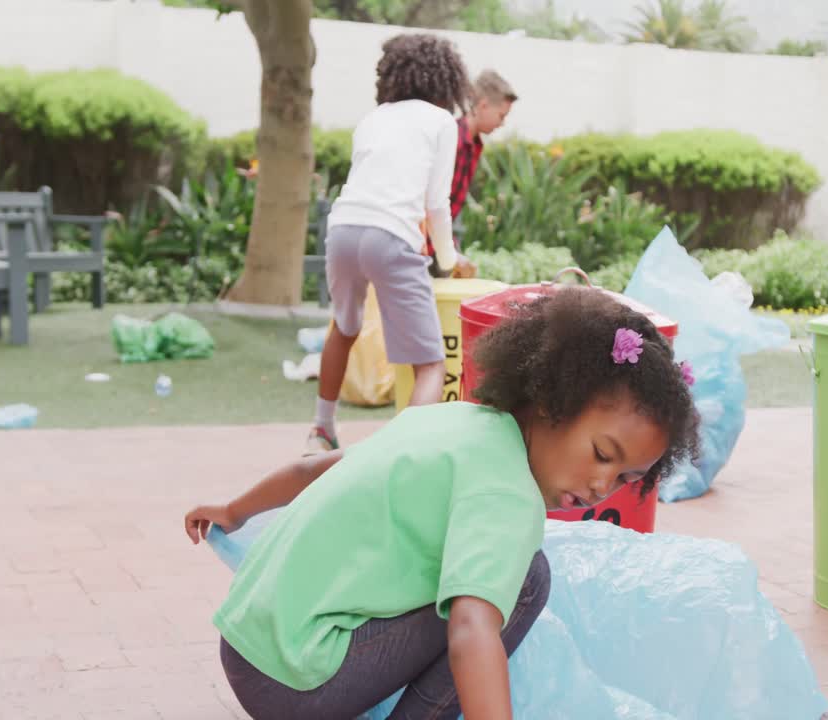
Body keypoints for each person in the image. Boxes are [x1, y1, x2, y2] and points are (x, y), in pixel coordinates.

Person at [185, 288, 701, 720]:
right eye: (602, 454)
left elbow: (314, 468)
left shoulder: (452, 421)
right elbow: (470, 631)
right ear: (552, 404)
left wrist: (235, 510)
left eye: (627, 478)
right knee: (527, 580)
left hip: (244, 645)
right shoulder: (507, 494)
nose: (603, 485)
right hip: (295, 685)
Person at [306, 34, 472, 454]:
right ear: (447, 80)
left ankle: (321, 430)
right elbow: (436, 204)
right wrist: (449, 259)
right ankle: (397, 455)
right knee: (431, 365)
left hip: (343, 231)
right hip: (392, 237)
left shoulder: (372, 119)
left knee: (344, 328)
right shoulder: (441, 122)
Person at [426, 69, 519, 279]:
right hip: (426, 244)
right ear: (483, 105)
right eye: (501, 115)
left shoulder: (473, 145)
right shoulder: (455, 140)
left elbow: (451, 206)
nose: (502, 123)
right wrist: (448, 253)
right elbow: (432, 202)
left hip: (439, 242)